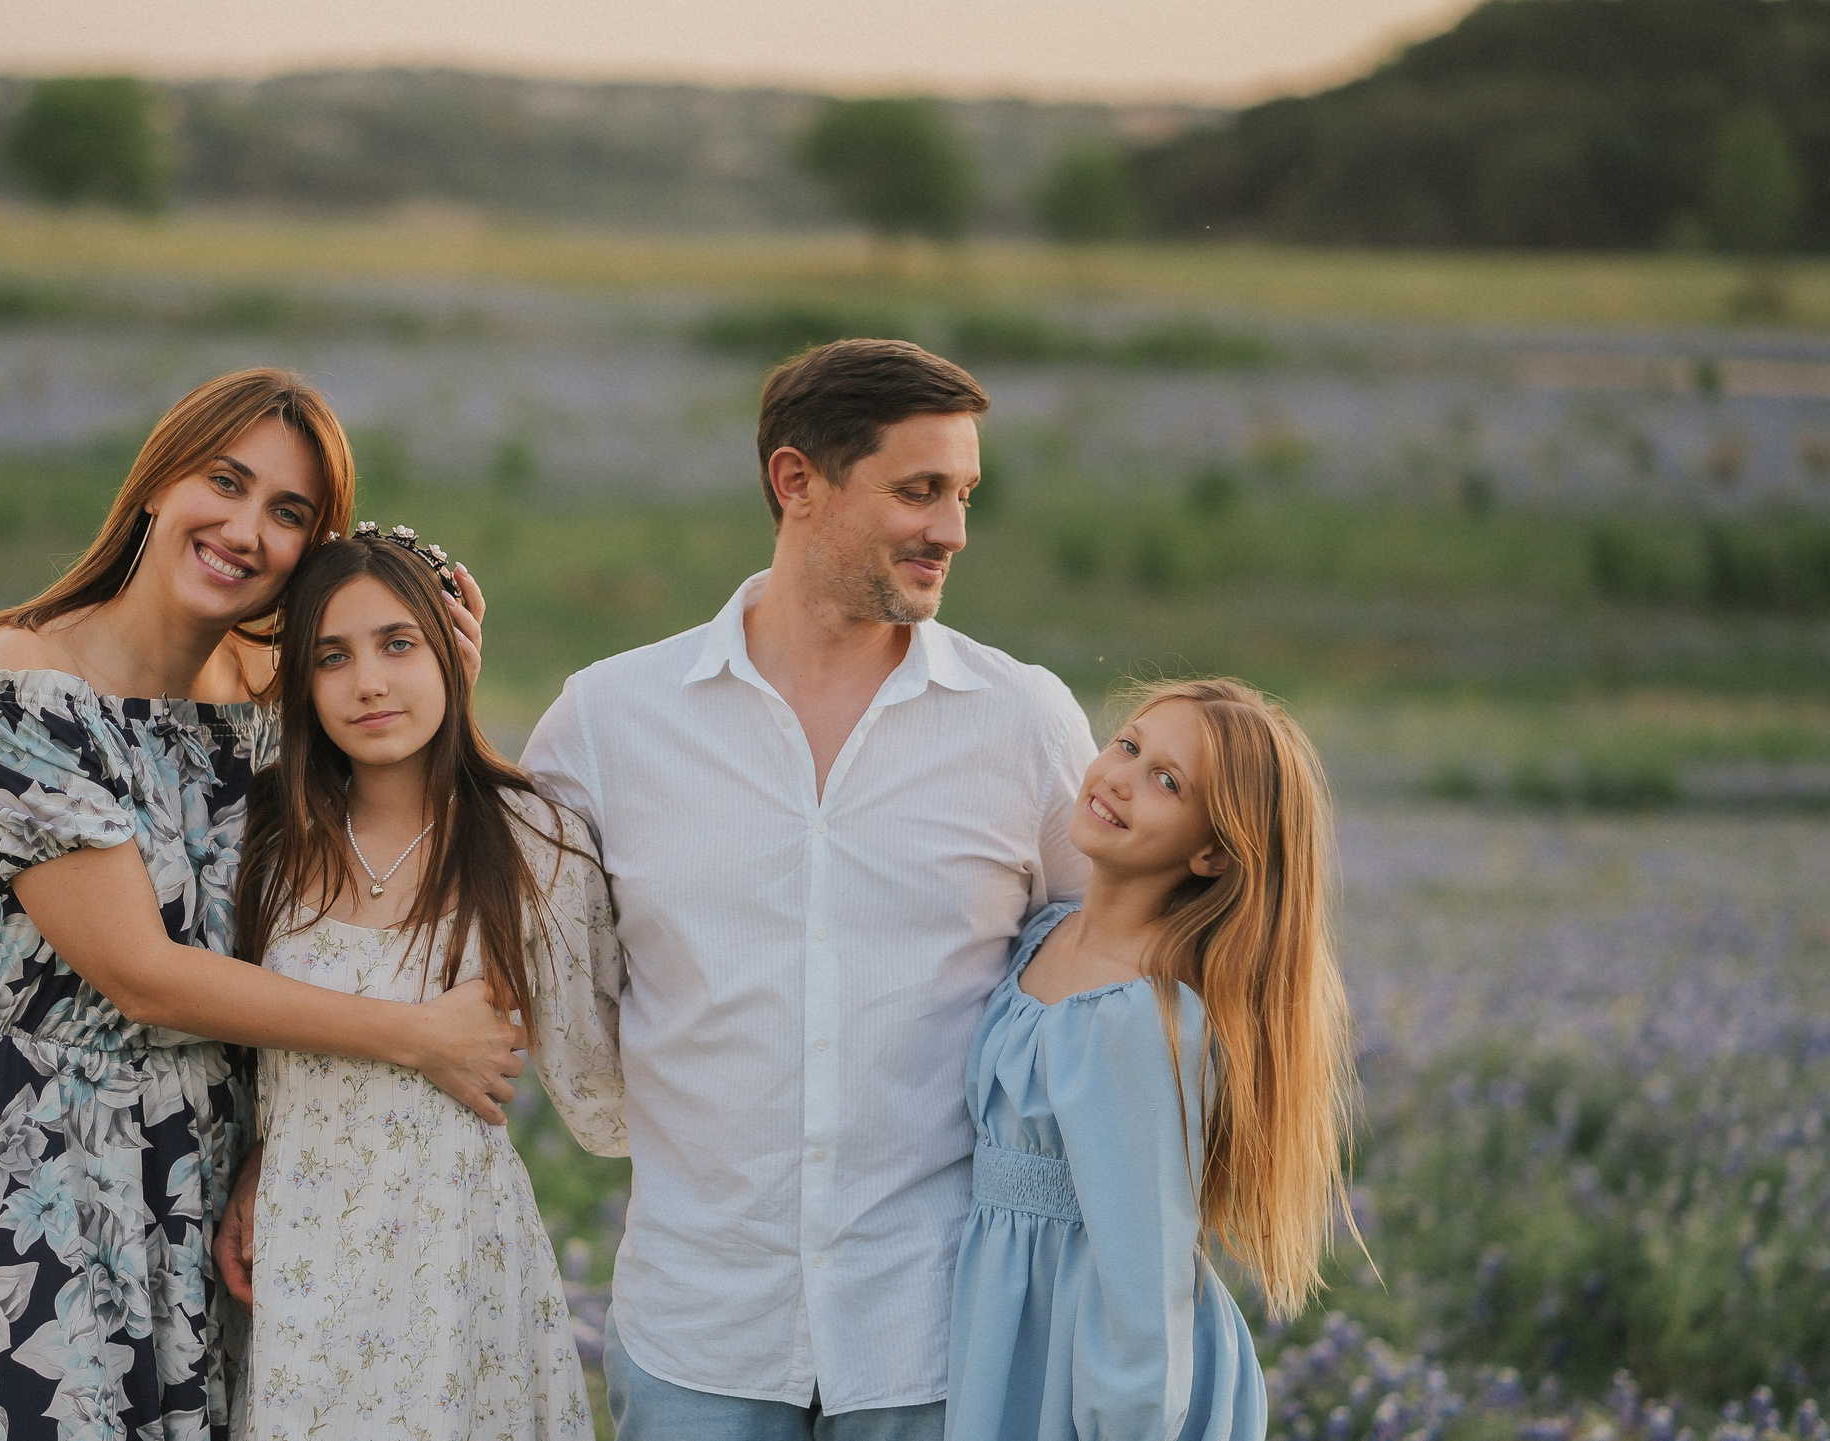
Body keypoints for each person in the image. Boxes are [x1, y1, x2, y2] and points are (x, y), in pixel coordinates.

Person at [0, 369, 523, 1441]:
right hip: (45, 1160)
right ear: (161, 480)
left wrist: (436, 689)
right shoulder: (28, 684)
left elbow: (349, 908)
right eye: (227, 481)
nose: (245, 529)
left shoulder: (270, 700)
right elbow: (144, 975)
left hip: (207, 1173)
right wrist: (414, 1038)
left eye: (289, 513)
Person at [520, 338, 1096, 1440]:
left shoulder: (1023, 723)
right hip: (698, 1330)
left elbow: (1109, 979)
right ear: (796, 483)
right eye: (918, 490)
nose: (952, 530)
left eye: (964, 493)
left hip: (937, 1337)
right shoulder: (607, 722)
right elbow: (498, 954)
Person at [218, 523, 625, 1440]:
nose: (369, 682)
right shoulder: (269, 842)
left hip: (456, 1255)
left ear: (452, 649)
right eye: (332, 656)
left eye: (400, 644)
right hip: (300, 1252)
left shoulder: (531, 838)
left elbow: (603, 1084)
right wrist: (255, 1159)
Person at [943, 678, 1355, 1441]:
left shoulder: (1145, 1016)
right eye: (1128, 745)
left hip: (1097, 1376)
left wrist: (1126, 1420)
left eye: (1167, 782)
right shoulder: (1043, 937)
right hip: (1012, 1341)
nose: (1121, 777)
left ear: (1210, 851)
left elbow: (1141, 1274)